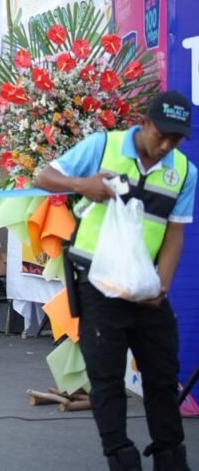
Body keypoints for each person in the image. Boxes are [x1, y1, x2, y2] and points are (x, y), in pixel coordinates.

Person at [35, 91, 196, 471]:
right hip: (97, 284)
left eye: (176, 139)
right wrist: (83, 185)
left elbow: (174, 235)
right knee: (106, 379)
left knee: (162, 375)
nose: (166, 146)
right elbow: (43, 177)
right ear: (144, 123)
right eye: (161, 135)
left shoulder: (185, 172)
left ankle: (170, 456)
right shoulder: (103, 146)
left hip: (146, 288)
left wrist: (162, 287)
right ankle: (121, 456)